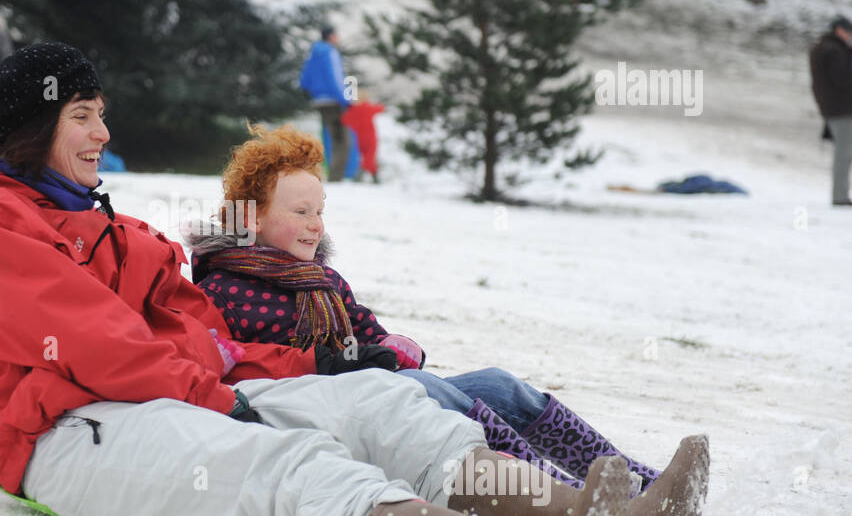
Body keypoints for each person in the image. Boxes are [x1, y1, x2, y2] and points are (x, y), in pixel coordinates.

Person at [0, 43, 709, 516]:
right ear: (33, 131)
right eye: (82, 116)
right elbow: (99, 347)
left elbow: (209, 342)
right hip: (59, 431)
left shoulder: (118, 229)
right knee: (289, 467)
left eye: (101, 112)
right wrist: (228, 402)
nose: (102, 131)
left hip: (165, 395)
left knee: (380, 404)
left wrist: (316, 372)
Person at [186, 125, 674, 495]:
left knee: (496, 385)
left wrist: (394, 348)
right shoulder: (225, 289)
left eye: (320, 211)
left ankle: (627, 478)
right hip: (318, 417)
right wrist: (349, 368)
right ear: (250, 218)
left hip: (376, 394)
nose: (316, 226)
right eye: (300, 213)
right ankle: (559, 495)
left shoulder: (323, 281)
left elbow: (369, 335)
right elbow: (238, 370)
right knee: (416, 387)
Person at [809, 15, 852, 206]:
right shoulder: (834, 51)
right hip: (842, 109)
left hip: (833, 108)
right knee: (844, 152)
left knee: (844, 151)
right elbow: (843, 80)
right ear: (838, 30)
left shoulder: (825, 48)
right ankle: (840, 196)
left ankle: (840, 194)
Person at [299, 26, 351, 182]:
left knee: (330, 136)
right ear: (331, 36)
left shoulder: (313, 53)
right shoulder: (330, 52)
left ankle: (330, 173)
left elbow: (304, 81)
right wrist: (344, 99)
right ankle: (337, 176)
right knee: (342, 139)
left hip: (319, 101)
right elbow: (335, 77)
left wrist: (314, 94)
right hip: (334, 100)